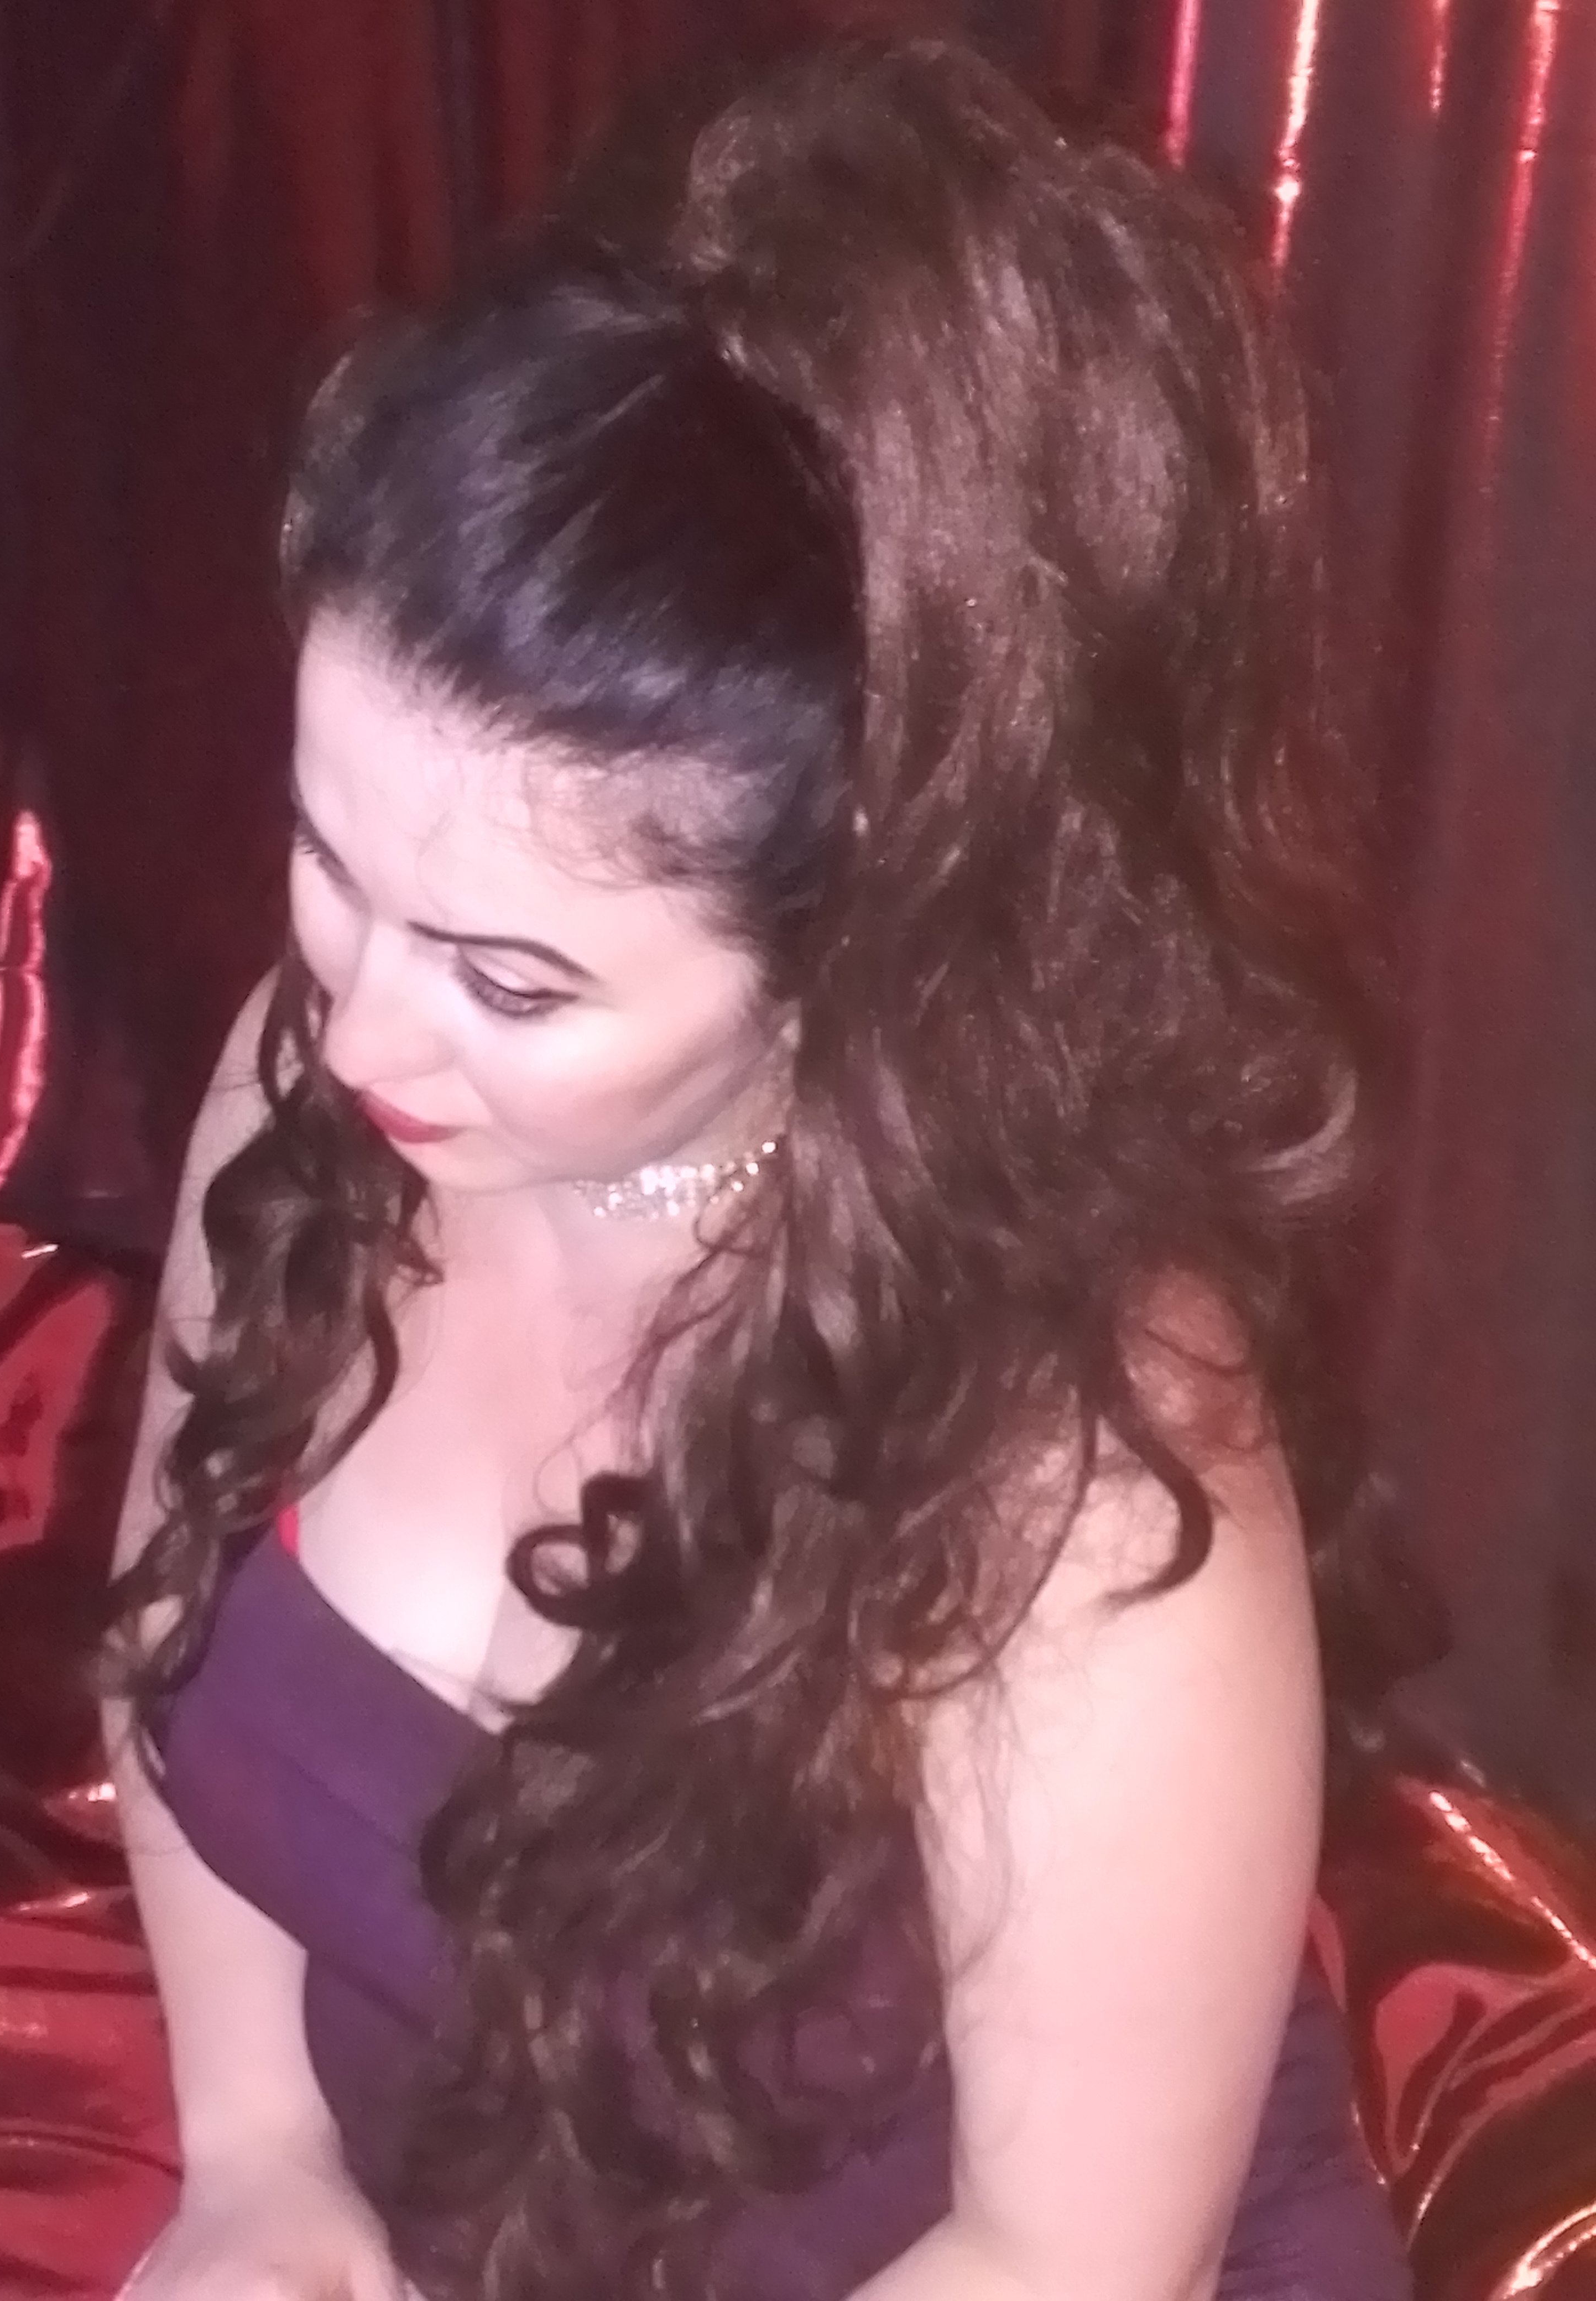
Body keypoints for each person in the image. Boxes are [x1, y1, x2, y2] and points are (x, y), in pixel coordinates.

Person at [104, 35, 1412, 2301]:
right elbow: (166, 1634)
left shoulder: (1081, 1468)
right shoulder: (322, 1088)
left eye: (513, 980)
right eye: (328, 861)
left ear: (851, 939)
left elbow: (1064, 2256)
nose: (359, 1026)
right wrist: (256, 2157)